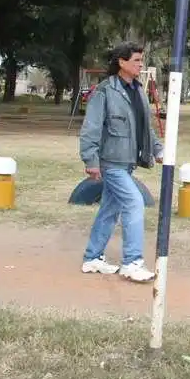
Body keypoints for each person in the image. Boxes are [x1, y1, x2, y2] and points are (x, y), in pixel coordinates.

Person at [79, 42, 164, 283]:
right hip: (110, 162)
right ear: (122, 62)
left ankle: (92, 257)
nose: (140, 64)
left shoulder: (138, 90)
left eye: (141, 60)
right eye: (136, 60)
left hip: (127, 162)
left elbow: (145, 126)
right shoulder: (104, 91)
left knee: (109, 209)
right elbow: (91, 128)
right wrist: (91, 160)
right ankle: (132, 261)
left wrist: (158, 149)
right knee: (134, 203)